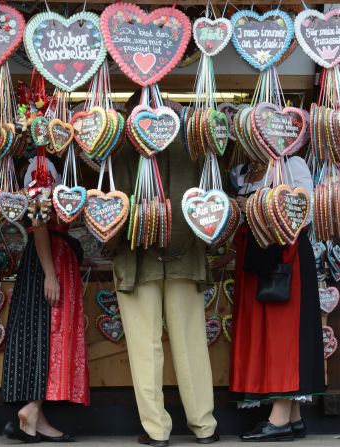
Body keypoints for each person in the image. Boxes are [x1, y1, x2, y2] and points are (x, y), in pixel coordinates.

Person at [111, 96, 219, 446]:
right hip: (186, 258)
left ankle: (157, 430)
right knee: (191, 345)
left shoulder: (122, 151)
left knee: (145, 349)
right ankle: (204, 426)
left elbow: (110, 211)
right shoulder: (192, 147)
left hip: (137, 261)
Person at [216, 157, 325, 442]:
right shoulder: (244, 171)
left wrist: (252, 209)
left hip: (284, 259)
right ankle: (293, 418)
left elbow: (304, 215)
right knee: (263, 335)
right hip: (255, 259)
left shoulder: (294, 166)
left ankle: (278, 420)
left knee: (283, 335)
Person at [2, 156, 89, 443]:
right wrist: (50, 274)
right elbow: (39, 224)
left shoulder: (48, 162)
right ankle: (30, 409)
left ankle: (35, 418)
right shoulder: (41, 165)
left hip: (53, 259)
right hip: (49, 261)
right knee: (51, 335)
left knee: (47, 336)